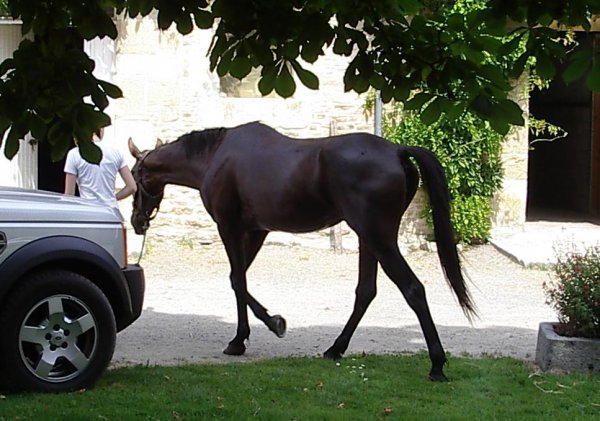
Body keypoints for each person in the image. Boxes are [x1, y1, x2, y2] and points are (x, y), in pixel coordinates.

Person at [64, 127, 137, 210]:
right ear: (101, 130)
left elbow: (69, 195)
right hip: (112, 211)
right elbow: (132, 187)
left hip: (87, 211)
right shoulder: (116, 152)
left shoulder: (74, 153)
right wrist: (112, 199)